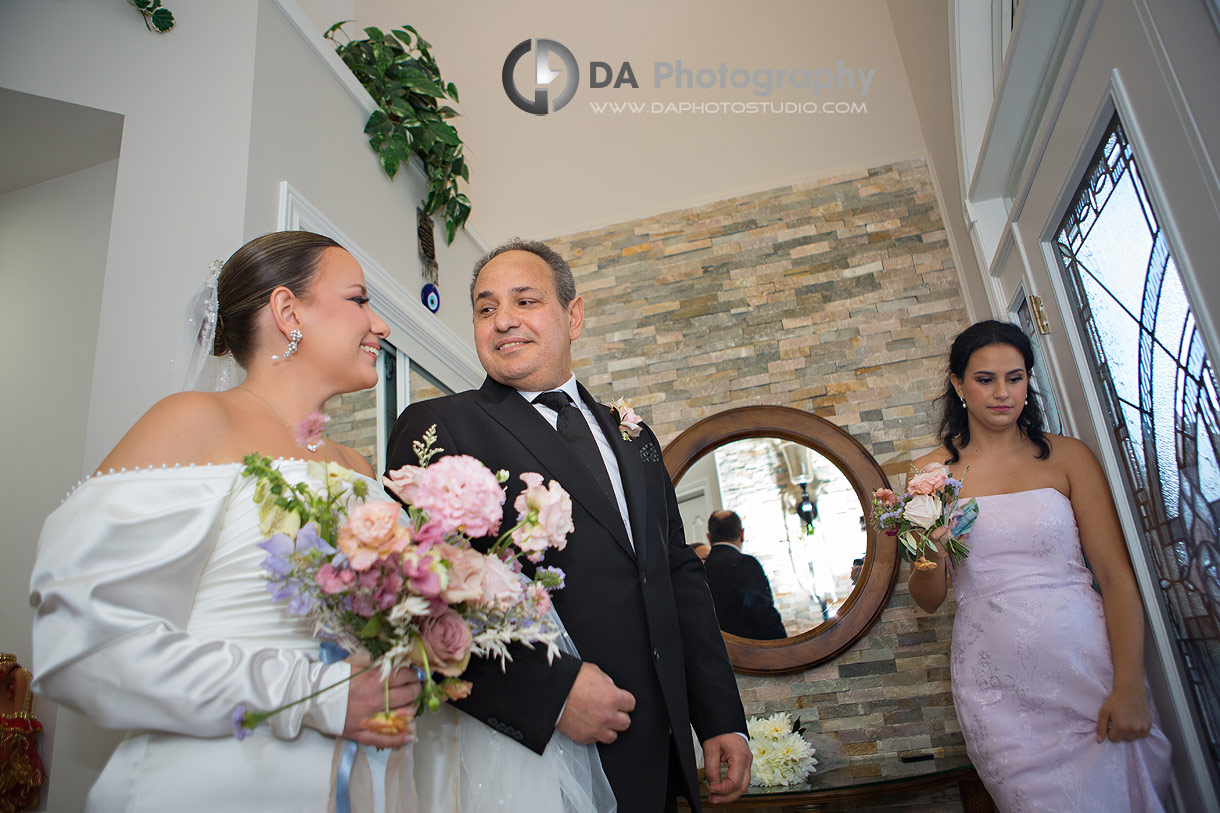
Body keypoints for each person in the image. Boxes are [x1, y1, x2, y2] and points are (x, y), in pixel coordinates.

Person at [28, 232, 438, 812]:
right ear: (287, 309)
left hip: (366, 781)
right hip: (226, 781)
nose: (381, 326)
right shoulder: (194, 422)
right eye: (358, 300)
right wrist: (315, 695)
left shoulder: (358, 467)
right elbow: (85, 643)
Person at [385, 239, 751, 812]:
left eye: (524, 301)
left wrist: (719, 717)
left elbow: (677, 575)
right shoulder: (440, 427)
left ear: (572, 315)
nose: (503, 320)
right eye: (485, 308)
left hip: (664, 748)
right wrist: (551, 694)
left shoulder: (635, 438)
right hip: (547, 751)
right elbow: (421, 597)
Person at [908, 320, 1171, 812]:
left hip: (1086, 667)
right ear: (958, 385)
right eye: (986, 379)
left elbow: (1114, 576)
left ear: (1029, 380)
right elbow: (927, 598)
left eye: (1016, 377)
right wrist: (932, 550)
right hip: (997, 687)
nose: (1003, 392)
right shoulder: (931, 474)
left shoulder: (1068, 457)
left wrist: (1130, 684)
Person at [702, 511, 787, 640]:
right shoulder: (746, 563)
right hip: (750, 649)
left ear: (709, 537)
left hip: (720, 651)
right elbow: (761, 612)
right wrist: (784, 646)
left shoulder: (702, 569)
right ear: (742, 534)